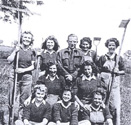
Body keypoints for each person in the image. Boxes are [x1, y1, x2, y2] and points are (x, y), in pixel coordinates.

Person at [7, 31, 36, 117]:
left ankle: (22, 118)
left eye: (29, 38)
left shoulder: (32, 51)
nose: (27, 39)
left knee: (25, 99)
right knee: (11, 98)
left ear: (31, 40)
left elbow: (33, 66)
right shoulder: (17, 49)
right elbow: (9, 60)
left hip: (26, 77)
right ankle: (8, 119)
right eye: (25, 37)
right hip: (14, 75)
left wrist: (23, 70)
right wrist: (15, 51)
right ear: (21, 38)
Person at [97, 38, 125, 125]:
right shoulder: (103, 57)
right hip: (104, 83)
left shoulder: (118, 58)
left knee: (115, 106)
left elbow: (123, 71)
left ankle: (116, 123)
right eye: (110, 45)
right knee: (103, 104)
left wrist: (118, 72)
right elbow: (98, 70)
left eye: (113, 45)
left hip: (114, 84)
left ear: (116, 46)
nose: (111, 47)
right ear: (107, 46)